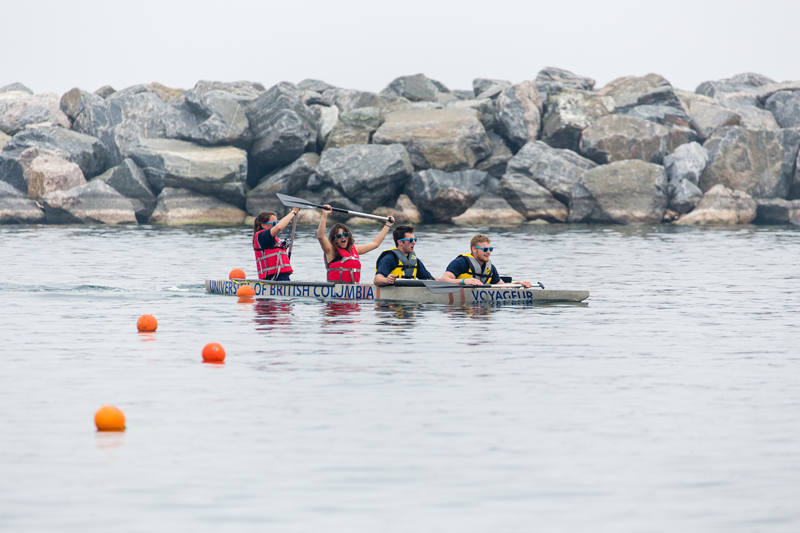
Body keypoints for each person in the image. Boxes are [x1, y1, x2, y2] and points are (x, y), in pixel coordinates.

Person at [318, 205, 395, 283]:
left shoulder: (355, 249)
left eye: (345, 234)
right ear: (334, 238)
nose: (343, 237)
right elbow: (320, 237)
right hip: (336, 292)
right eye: (339, 236)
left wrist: (387, 225)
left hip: (353, 291)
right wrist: (325, 215)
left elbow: (375, 243)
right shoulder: (330, 250)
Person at [441, 234, 533, 288]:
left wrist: (517, 284)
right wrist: (464, 281)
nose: (488, 252)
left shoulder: (490, 268)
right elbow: (443, 280)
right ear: (474, 249)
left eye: (490, 249)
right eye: (485, 249)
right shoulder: (460, 262)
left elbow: (503, 286)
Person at [253, 208, 300, 281]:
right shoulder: (261, 236)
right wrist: (293, 212)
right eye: (274, 224)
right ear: (263, 225)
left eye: (277, 222)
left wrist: (283, 246)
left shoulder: (273, 239)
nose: (276, 225)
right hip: (271, 279)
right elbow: (279, 227)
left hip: (282, 277)